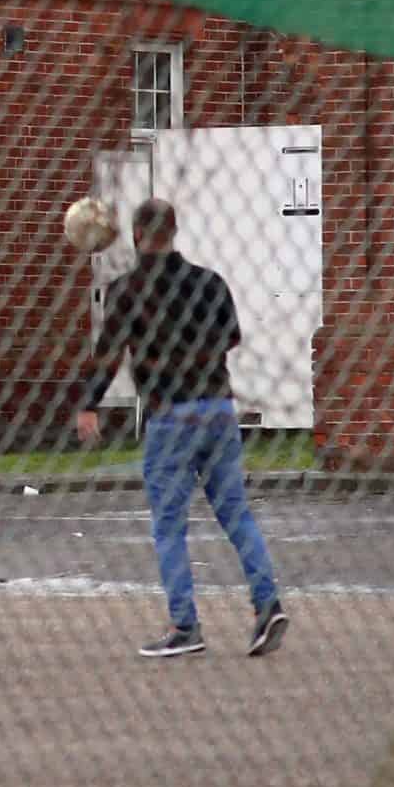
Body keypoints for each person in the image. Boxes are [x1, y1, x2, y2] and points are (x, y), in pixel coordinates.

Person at [78, 197, 288, 659]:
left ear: (135, 236)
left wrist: (89, 404)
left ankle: (185, 625)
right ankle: (266, 602)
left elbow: (109, 353)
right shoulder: (209, 283)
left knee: (170, 525)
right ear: (174, 232)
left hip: (170, 414)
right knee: (235, 513)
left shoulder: (126, 291)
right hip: (217, 407)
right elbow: (231, 335)